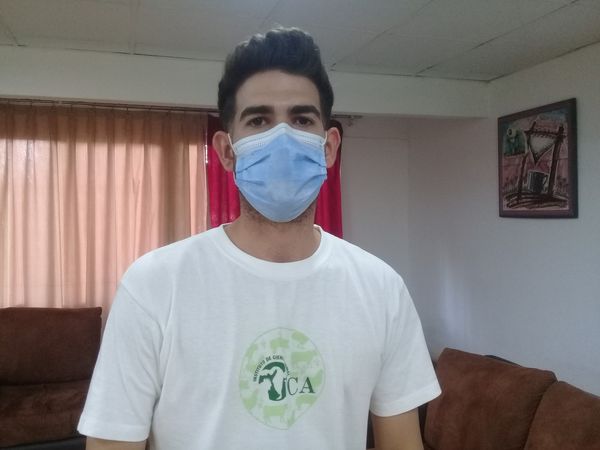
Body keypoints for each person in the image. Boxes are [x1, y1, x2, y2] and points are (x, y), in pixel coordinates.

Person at [78, 27, 440, 450]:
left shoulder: (383, 290)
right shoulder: (153, 286)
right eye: (259, 120)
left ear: (328, 148)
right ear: (226, 151)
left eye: (302, 120)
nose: (282, 138)